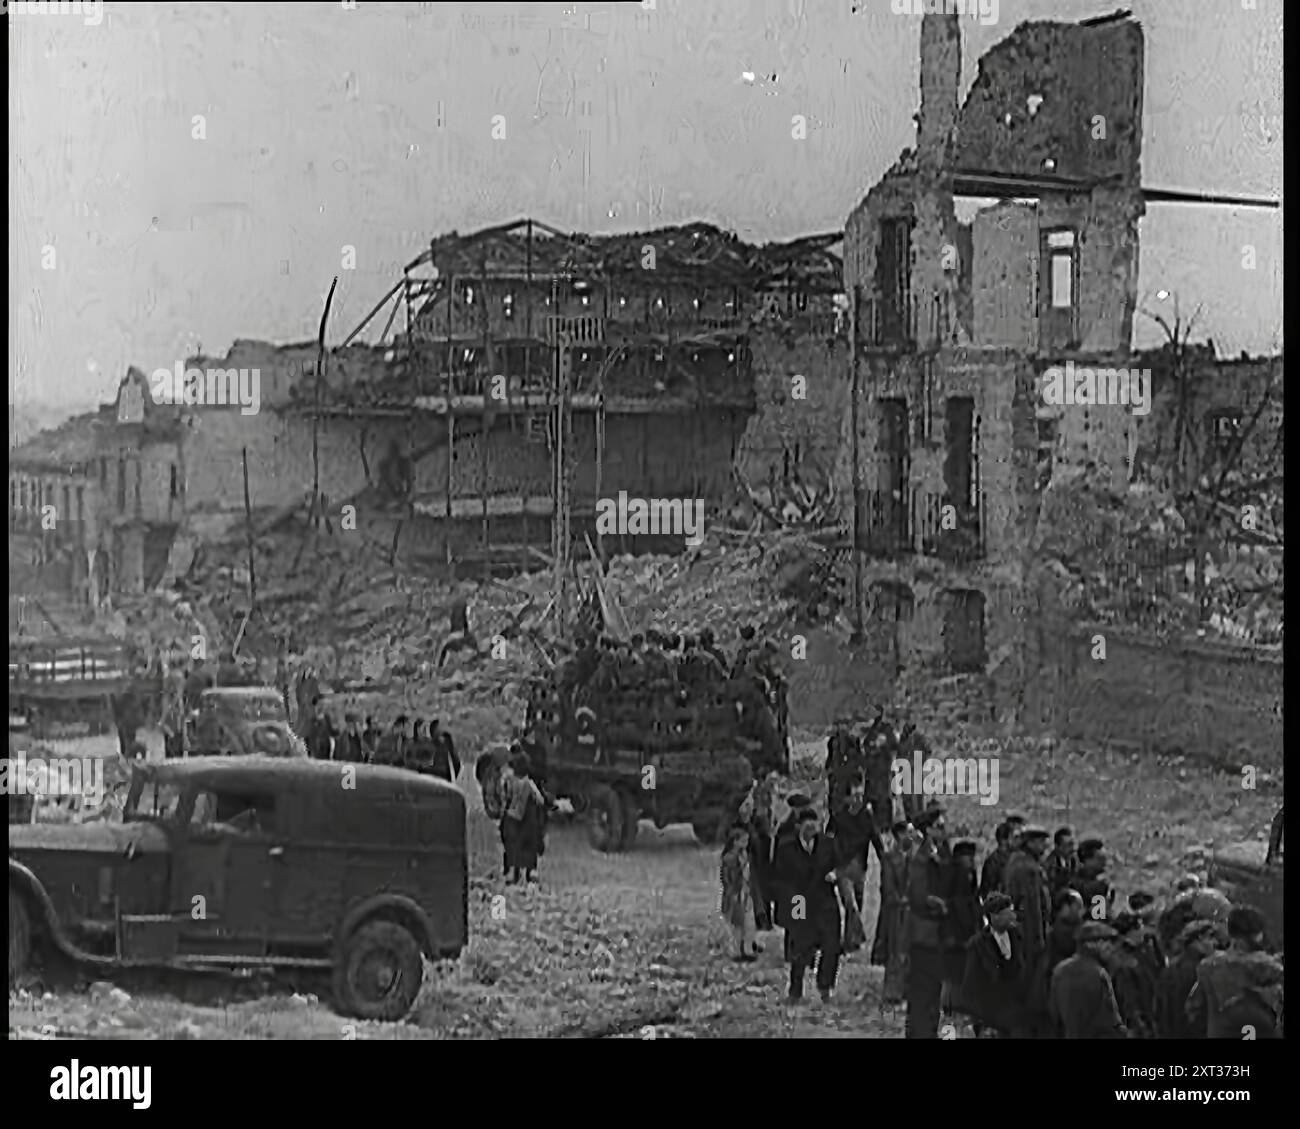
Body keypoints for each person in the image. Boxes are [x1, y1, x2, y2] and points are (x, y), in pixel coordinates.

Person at [772, 807, 841, 1005]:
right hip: (799, 900)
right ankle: (795, 991)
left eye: (815, 823)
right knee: (800, 947)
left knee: (831, 946)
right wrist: (791, 904)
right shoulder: (786, 848)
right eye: (807, 824)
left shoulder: (828, 844)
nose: (812, 827)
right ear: (798, 826)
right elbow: (778, 879)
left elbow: (840, 865)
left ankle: (825, 986)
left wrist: (836, 874)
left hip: (825, 900)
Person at [1185, 905, 1283, 1039]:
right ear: (1258, 934)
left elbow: (1193, 1008)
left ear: (1230, 931)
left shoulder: (1208, 967)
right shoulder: (1274, 969)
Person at [826, 773, 884, 952]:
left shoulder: (866, 817)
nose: (859, 799)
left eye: (861, 795)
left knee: (857, 903)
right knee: (850, 905)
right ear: (847, 798)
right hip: (843, 866)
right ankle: (856, 937)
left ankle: (852, 940)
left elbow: (876, 840)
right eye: (855, 796)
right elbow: (828, 839)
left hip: (860, 867)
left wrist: (886, 861)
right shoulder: (839, 817)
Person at [905, 807, 949, 1038]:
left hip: (937, 934)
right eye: (939, 827)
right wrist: (939, 903)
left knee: (934, 991)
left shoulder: (941, 854)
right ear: (928, 830)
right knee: (923, 991)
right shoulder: (920, 858)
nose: (944, 831)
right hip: (924, 934)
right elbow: (918, 895)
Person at [1003, 825, 1052, 1033]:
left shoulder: (1016, 862)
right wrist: (1039, 940)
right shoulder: (1028, 869)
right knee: (1030, 983)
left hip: (1017, 932)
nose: (1044, 846)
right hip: (1028, 936)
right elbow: (1033, 909)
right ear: (1030, 843)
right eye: (1040, 842)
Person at [961, 893, 1029, 1037]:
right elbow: (970, 984)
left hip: (1018, 1010)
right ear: (994, 916)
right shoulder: (978, 945)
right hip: (992, 1013)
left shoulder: (1018, 935)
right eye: (1006, 913)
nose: (1012, 916)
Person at [1049, 921, 1127, 1039]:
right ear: (1091, 944)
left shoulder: (1059, 970)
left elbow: (1054, 1015)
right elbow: (1111, 1022)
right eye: (1107, 942)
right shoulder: (1098, 973)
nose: (1111, 948)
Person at [1155, 919, 1221, 1038]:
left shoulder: (1168, 970)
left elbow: (1158, 1011)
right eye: (1210, 937)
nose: (1215, 943)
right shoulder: (1202, 971)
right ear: (1198, 940)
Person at [875, 820, 914, 1004]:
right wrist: (900, 900)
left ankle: (907, 990)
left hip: (912, 911)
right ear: (899, 835)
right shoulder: (890, 858)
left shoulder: (914, 857)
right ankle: (892, 993)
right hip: (896, 912)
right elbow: (888, 888)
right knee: (895, 952)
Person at [943, 839, 982, 1021]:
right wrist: (968, 927)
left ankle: (955, 1002)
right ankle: (952, 1003)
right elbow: (959, 903)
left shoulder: (965, 872)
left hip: (961, 928)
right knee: (955, 967)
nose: (972, 861)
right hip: (957, 929)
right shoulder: (960, 873)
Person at [499, 752, 546, 885]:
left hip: (512, 819)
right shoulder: (529, 784)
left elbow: (505, 797)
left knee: (512, 845)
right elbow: (540, 801)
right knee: (529, 843)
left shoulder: (510, 782)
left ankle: (511, 872)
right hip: (527, 822)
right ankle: (532, 871)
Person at [720, 823, 759, 962]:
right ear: (735, 841)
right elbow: (728, 878)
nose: (746, 844)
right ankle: (737, 950)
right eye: (743, 841)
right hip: (736, 893)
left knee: (748, 922)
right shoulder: (730, 858)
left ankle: (746, 949)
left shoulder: (743, 855)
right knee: (738, 924)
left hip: (745, 891)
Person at [1067, 839, 1113, 917]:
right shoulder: (1074, 882)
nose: (1104, 862)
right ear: (1087, 859)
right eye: (1099, 858)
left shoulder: (1103, 881)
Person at [979, 821, 1014, 899]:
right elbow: (987, 891)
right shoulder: (992, 862)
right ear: (1004, 840)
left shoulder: (1014, 858)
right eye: (1012, 837)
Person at [1045, 827, 1077, 895]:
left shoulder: (1073, 859)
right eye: (1068, 845)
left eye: (1073, 843)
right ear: (1057, 846)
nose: (1073, 848)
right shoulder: (1050, 863)